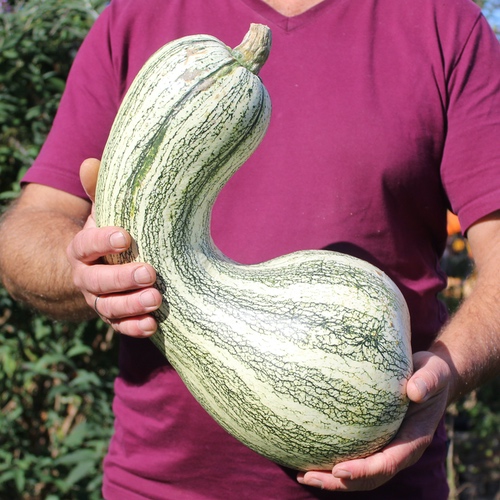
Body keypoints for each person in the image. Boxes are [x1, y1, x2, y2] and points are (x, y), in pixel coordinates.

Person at [1, 0, 499, 498]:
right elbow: (26, 232)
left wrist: (448, 371)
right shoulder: (135, 18)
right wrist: (85, 269)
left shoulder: (445, 25)